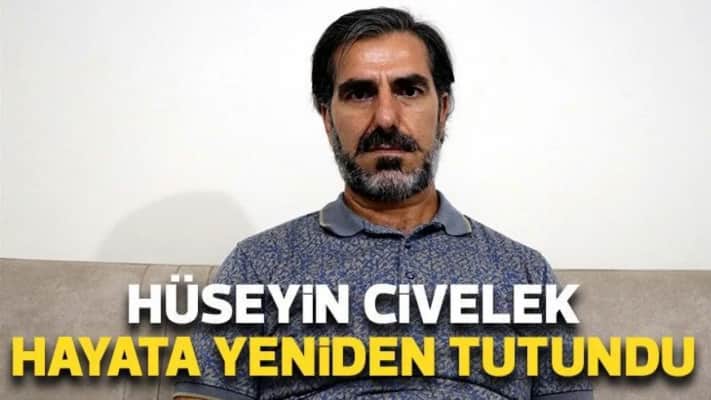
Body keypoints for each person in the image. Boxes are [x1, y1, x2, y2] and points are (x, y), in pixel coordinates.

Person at [174, 7, 593, 400]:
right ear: (327, 116)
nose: (387, 118)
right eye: (360, 93)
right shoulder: (257, 267)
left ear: (443, 108)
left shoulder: (524, 274)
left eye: (409, 90)